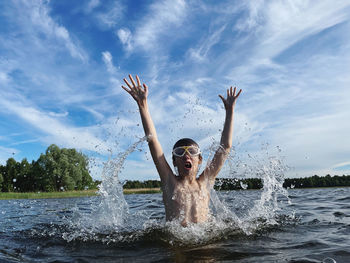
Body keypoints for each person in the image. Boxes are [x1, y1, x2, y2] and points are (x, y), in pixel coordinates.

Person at [122, 74, 241, 226]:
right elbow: (152, 140)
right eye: (180, 153)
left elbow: (225, 147)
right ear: (174, 162)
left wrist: (230, 111)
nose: (186, 156)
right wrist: (142, 104)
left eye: (192, 152)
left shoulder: (205, 182)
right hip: (177, 245)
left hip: (205, 242)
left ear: (200, 160)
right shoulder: (169, 181)